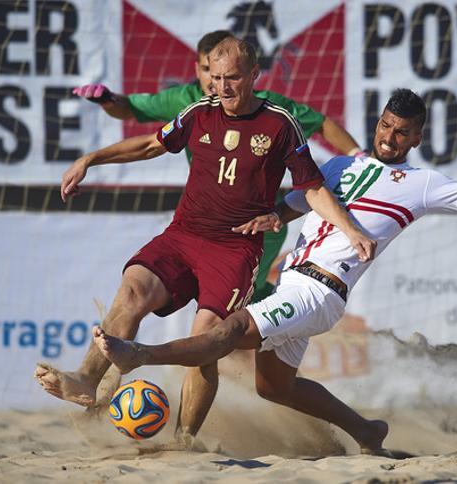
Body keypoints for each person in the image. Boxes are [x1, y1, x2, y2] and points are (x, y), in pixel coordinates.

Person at [89, 89, 457, 454]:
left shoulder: (420, 184)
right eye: (386, 127)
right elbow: (295, 204)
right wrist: (267, 217)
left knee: (224, 333)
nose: (390, 139)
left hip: (319, 291)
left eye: (402, 133)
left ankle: (140, 355)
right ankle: (367, 431)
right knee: (273, 388)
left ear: (416, 138)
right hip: (293, 281)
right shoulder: (341, 166)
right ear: (379, 123)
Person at [35, 38, 376, 444]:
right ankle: (87, 380)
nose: (222, 87)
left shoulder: (280, 123)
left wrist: (351, 229)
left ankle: (184, 440)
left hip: (234, 249)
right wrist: (90, 159)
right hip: (184, 234)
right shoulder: (198, 112)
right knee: (132, 291)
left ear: (253, 76)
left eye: (232, 78)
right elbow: (148, 145)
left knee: (205, 341)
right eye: (215, 78)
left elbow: (313, 188)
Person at [73, 30, 363, 302]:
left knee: (241, 308)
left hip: (258, 225)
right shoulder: (188, 102)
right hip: (206, 224)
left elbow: (321, 127)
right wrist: (107, 102)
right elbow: (134, 116)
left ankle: (270, 327)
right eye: (208, 71)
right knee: (171, 298)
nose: (217, 84)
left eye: (231, 76)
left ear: (250, 75)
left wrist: (356, 153)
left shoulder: (272, 111)